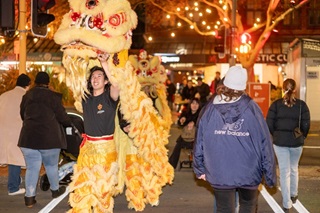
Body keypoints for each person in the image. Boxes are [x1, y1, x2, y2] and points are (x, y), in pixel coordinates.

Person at [193, 66, 276, 213]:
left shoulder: (210, 108)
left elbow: (199, 140)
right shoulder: (252, 108)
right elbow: (265, 142)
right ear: (243, 85)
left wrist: (199, 168)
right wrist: (269, 175)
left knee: (224, 208)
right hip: (249, 169)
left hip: (219, 169)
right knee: (248, 206)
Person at [68, 54, 120, 212]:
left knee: (102, 188)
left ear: (105, 81)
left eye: (99, 76)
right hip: (87, 148)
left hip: (105, 149)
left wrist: (104, 63)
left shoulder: (110, 98)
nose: (95, 79)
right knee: (84, 184)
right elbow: (75, 80)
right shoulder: (86, 98)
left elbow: (116, 84)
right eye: (93, 77)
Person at [18, 72, 71, 207]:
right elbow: (62, 116)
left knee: (32, 168)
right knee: (51, 166)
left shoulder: (27, 96)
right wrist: (68, 124)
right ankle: (55, 190)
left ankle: (29, 198)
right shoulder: (52, 96)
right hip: (49, 139)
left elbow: (22, 114)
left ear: (35, 82)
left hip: (28, 138)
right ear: (48, 83)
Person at [266, 78, 310, 212]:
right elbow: (306, 124)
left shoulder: (276, 105)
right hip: (296, 142)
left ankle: (287, 204)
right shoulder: (302, 105)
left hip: (280, 142)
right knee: (294, 168)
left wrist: (277, 134)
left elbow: (269, 123)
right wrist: (302, 136)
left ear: (282, 88)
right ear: (295, 90)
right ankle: (294, 194)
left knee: (284, 172)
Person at [0, 74, 30, 196]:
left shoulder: (4, 95)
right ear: (28, 85)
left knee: (10, 157)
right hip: (17, 132)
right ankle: (13, 188)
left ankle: (16, 181)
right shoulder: (26, 96)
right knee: (15, 160)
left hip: (3, 131)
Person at [169, 97, 201, 169]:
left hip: (196, 138)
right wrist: (182, 120)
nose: (194, 105)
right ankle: (171, 165)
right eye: (193, 103)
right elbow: (180, 124)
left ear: (199, 105)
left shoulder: (201, 114)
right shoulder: (185, 112)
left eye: (196, 104)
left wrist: (194, 123)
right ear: (190, 104)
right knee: (178, 143)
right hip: (186, 137)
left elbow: (203, 124)